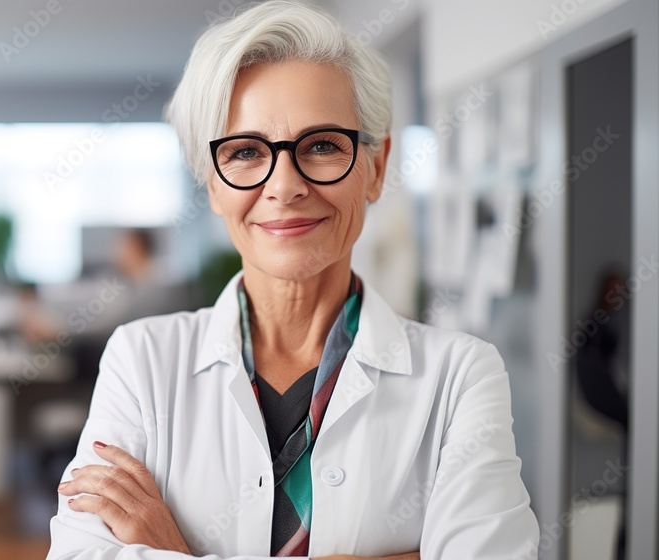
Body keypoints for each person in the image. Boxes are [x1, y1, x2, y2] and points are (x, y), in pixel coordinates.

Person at [47, 2, 539, 558]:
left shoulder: (459, 376)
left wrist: (172, 549)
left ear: (376, 168)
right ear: (212, 185)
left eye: (323, 145)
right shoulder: (142, 361)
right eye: (246, 152)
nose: (284, 186)